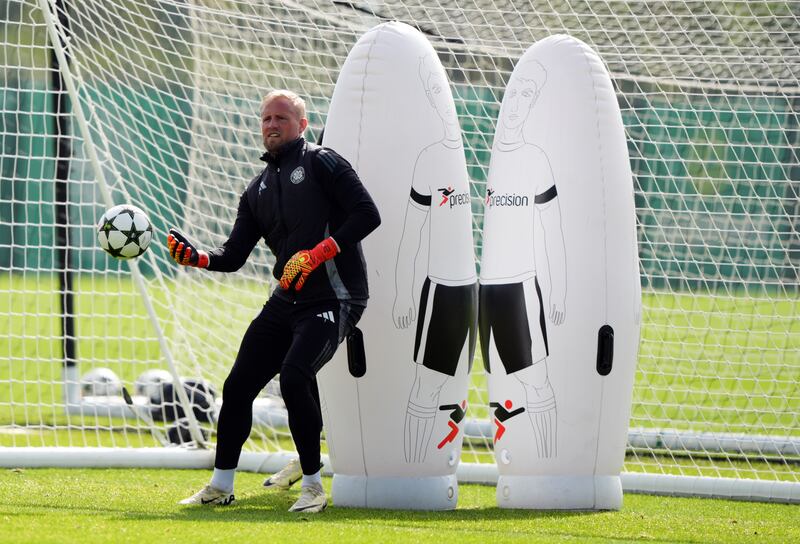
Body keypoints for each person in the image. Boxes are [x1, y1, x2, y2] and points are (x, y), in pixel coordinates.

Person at [170, 89, 381, 513]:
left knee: (294, 377)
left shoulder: (324, 161)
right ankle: (221, 485)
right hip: (287, 299)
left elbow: (367, 214)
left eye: (281, 118)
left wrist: (318, 253)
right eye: (266, 118)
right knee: (238, 386)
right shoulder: (256, 189)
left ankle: (314, 487)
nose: (271, 125)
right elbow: (233, 256)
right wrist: (199, 258)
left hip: (336, 296)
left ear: (302, 125)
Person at [479, 59, 566, 458]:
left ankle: (547, 462)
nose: (516, 106)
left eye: (526, 97)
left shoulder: (536, 158)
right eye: (513, 95)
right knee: (496, 381)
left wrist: (558, 292)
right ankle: (514, 456)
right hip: (485, 290)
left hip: (520, 288)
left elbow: (553, 232)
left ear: (532, 105)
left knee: (536, 381)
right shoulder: (496, 159)